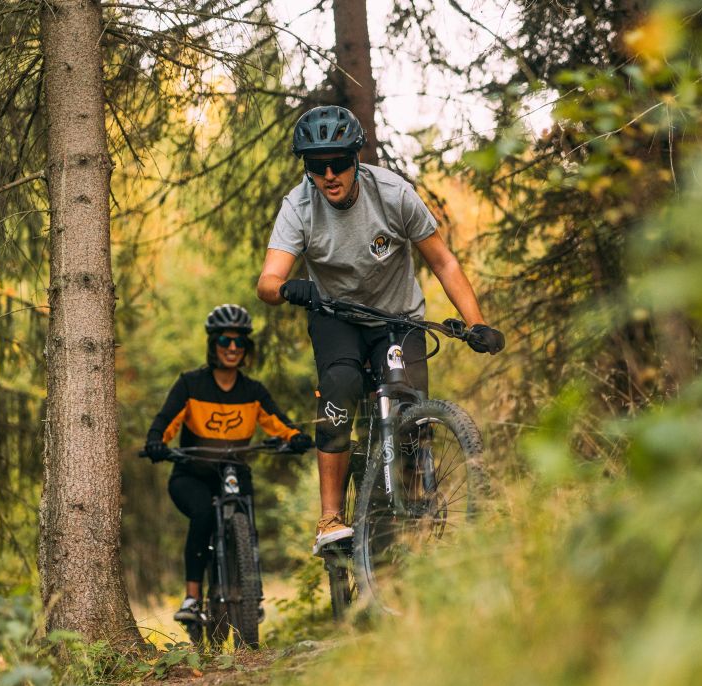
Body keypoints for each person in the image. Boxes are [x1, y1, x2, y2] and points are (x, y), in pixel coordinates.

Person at [256, 105, 504, 555]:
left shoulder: (393, 194)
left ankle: (404, 533)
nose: (329, 174)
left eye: (338, 163)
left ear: (356, 159)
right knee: (340, 383)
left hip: (398, 318)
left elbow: (443, 261)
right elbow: (267, 282)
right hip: (336, 317)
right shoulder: (299, 206)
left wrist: (477, 323)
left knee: (410, 414)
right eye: (316, 166)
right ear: (307, 168)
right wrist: (289, 288)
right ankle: (330, 516)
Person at [144, 303, 313, 623]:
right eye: (225, 341)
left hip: (234, 472)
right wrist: (156, 442)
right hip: (191, 475)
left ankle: (251, 594)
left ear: (246, 348)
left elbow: (279, 422)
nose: (232, 348)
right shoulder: (190, 384)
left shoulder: (253, 391)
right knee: (204, 514)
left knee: (246, 519)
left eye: (239, 342)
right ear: (213, 345)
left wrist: (295, 437)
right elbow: (165, 420)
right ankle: (192, 598)